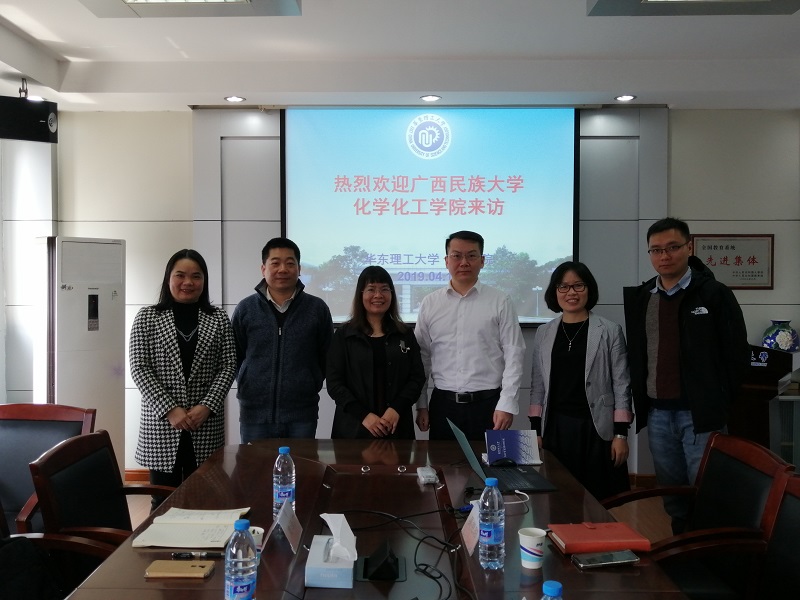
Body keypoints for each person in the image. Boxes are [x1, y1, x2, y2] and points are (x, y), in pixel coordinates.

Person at [623, 217, 750, 533]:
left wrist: (717, 400)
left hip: (701, 415)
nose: (664, 256)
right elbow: (639, 355)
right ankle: (682, 544)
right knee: (673, 492)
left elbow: (737, 355)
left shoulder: (713, 294)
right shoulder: (643, 297)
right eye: (656, 250)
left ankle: (710, 551)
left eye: (672, 247)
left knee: (707, 490)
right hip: (658, 414)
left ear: (689, 247)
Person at [130, 249, 236, 507]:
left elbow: (228, 366)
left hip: (204, 423)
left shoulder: (218, 318)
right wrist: (170, 409)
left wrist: (206, 406)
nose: (188, 282)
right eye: (180, 275)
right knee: (162, 499)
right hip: (163, 424)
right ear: (169, 278)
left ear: (204, 281)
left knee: (204, 498)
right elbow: (139, 368)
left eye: (196, 276)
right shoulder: (147, 317)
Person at [528, 261, 633, 501]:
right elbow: (538, 386)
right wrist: (536, 431)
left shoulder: (609, 330)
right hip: (556, 428)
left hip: (596, 429)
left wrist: (620, 435)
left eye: (578, 285)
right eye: (563, 287)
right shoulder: (544, 333)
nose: (571, 292)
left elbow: (622, 385)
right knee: (559, 498)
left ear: (589, 289)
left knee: (601, 500)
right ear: (555, 292)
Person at [415, 231, 526, 440]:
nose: (464, 262)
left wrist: (507, 403)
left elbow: (514, 353)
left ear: (482, 261)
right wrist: (421, 405)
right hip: (443, 405)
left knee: (489, 462)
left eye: (471, 256)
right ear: (446, 261)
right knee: (442, 460)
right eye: (457, 256)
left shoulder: (500, 301)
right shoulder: (430, 303)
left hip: (489, 406)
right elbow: (422, 358)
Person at [231, 237, 333, 443]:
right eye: (275, 263)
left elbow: (326, 356)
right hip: (254, 415)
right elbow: (235, 356)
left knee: (301, 464)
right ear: (263, 269)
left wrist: (308, 381)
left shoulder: (317, 309)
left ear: (299, 269)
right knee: (253, 464)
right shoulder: (245, 309)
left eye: (290, 263)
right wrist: (248, 380)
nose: (283, 269)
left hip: (301, 414)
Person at [326, 266, 425, 439]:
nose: (378, 295)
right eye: (371, 289)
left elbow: (417, 377)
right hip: (353, 428)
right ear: (361, 295)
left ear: (392, 294)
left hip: (396, 427)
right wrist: (364, 415)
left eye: (384, 289)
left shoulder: (404, 333)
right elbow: (334, 383)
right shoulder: (344, 335)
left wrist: (396, 408)